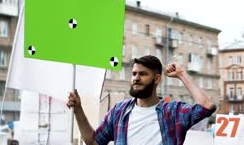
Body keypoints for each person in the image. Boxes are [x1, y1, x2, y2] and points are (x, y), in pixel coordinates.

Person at [67, 55, 216, 145]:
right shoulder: (119, 111)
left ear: (157, 79)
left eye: (143, 74)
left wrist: (182, 74)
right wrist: (78, 109)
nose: (136, 78)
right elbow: (93, 142)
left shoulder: (172, 111)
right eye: (134, 74)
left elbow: (206, 105)